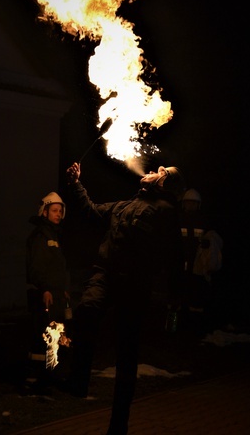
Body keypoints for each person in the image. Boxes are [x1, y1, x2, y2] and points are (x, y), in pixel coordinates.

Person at [65, 162, 186, 435]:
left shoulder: (165, 212)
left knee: (126, 352)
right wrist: (76, 184)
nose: (155, 168)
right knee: (86, 309)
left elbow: (176, 258)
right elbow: (92, 212)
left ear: (165, 184)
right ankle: (78, 381)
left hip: (134, 284)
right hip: (104, 275)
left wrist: (175, 295)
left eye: (162, 171)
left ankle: (119, 423)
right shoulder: (123, 205)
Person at [23, 191, 71, 395]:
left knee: (56, 335)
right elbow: (36, 267)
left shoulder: (55, 235)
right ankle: (34, 380)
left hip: (57, 296)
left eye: (60, 211)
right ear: (44, 212)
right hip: (44, 296)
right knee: (41, 336)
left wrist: (64, 290)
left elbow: (58, 268)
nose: (58, 214)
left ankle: (50, 376)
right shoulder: (40, 236)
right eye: (54, 210)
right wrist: (45, 289)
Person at [180, 188, 223, 331]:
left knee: (197, 295)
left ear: (198, 205)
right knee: (178, 294)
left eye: (193, 203)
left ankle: (195, 327)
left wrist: (207, 245)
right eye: (188, 203)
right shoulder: (178, 219)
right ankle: (175, 327)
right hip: (180, 262)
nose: (190, 206)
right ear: (184, 204)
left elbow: (213, 238)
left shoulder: (205, 220)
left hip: (197, 264)